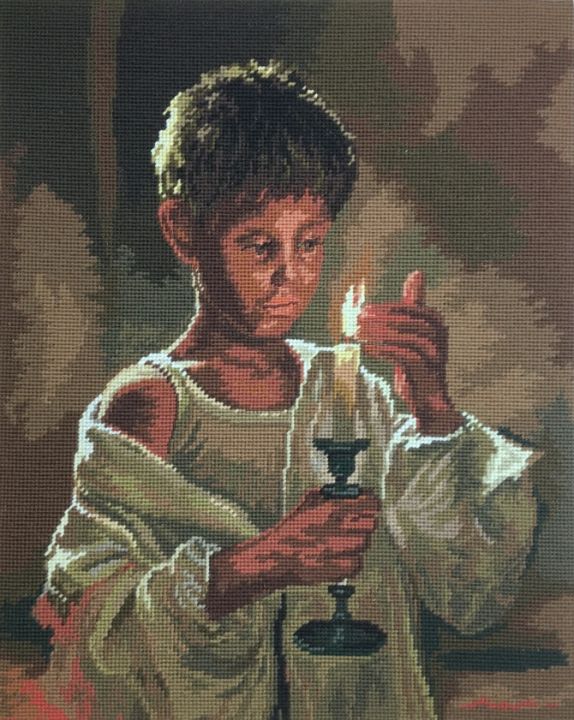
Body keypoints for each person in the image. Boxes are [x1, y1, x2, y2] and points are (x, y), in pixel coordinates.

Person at [33, 60, 537, 720]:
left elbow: (468, 595)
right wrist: (261, 564)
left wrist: (434, 411)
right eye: (258, 245)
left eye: (310, 243)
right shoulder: (151, 405)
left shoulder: (353, 396)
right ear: (183, 230)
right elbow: (89, 624)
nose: (290, 277)